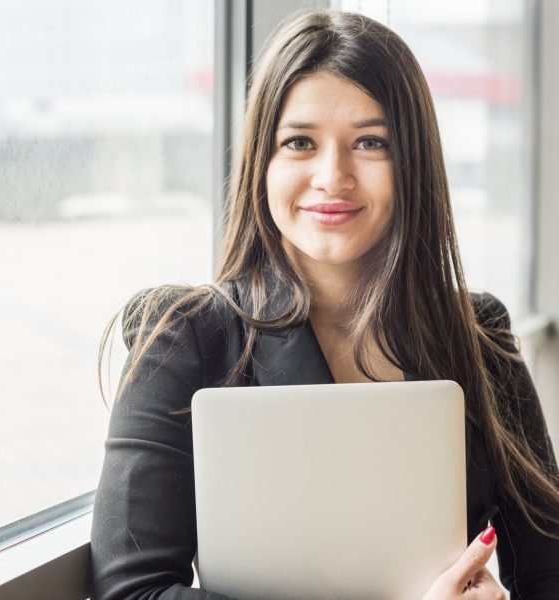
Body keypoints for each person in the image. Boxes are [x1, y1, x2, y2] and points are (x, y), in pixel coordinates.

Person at [91, 11, 559, 600]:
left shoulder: (478, 333)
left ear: (412, 162)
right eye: (300, 143)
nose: (332, 177)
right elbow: (132, 592)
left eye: (370, 142)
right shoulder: (183, 336)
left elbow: (548, 573)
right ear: (262, 162)